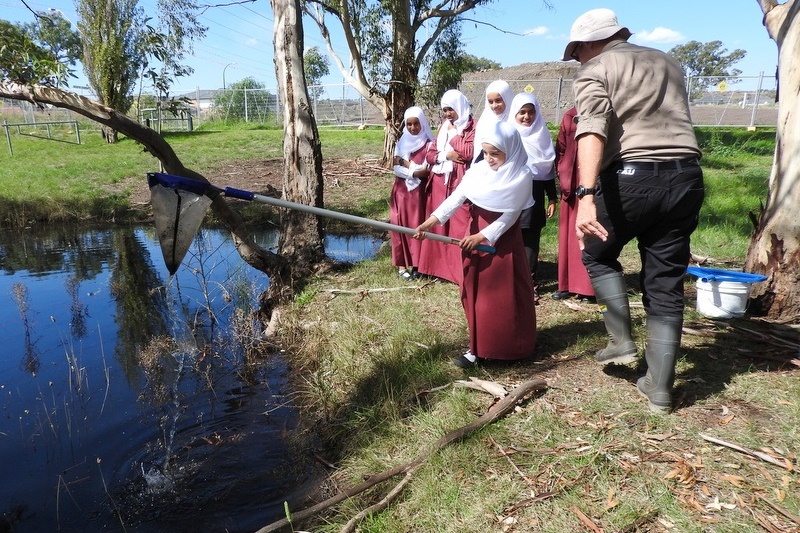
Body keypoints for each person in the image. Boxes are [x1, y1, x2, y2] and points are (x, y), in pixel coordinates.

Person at [564, 8, 705, 414]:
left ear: (592, 43)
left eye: (576, 51)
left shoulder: (597, 69)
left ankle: (620, 340)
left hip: (631, 176)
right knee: (665, 282)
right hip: (686, 176)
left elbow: (592, 128)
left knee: (596, 252)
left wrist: (586, 194)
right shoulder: (668, 62)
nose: (577, 59)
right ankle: (659, 389)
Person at [415, 121, 537, 368]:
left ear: (511, 150)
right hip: (473, 235)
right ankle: (478, 347)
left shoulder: (522, 175)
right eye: (486, 152)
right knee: (473, 289)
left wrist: (482, 237)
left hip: (501, 242)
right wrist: (430, 222)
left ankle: (509, 347)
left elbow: (510, 216)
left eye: (496, 153)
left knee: (501, 296)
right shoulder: (478, 171)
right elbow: (457, 197)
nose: (489, 159)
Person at [418, 89, 475, 284]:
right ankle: (435, 268)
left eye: (451, 109)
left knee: (458, 225)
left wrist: (454, 136)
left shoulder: (471, 126)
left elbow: (467, 153)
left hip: (459, 182)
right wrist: (447, 155)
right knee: (438, 225)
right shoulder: (444, 126)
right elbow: (430, 155)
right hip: (439, 181)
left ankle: (458, 272)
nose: (448, 114)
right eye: (445, 110)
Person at [507, 92, 558, 303]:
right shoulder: (508, 136)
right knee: (508, 238)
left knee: (530, 242)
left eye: (531, 112)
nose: (527, 117)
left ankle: (530, 284)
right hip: (510, 196)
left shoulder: (542, 137)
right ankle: (508, 283)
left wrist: (553, 198)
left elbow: (546, 172)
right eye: (522, 112)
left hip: (534, 198)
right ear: (514, 114)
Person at [552, 106, 595, 302]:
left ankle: (588, 287)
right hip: (570, 182)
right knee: (567, 234)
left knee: (588, 232)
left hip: (591, 182)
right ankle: (566, 284)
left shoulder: (601, 111)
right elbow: (561, 147)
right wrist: (562, 171)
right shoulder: (570, 115)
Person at [391, 106, 434, 280]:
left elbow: (426, 171)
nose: (413, 128)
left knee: (418, 226)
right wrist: (412, 170)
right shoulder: (401, 142)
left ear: (422, 123)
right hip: (401, 192)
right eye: (409, 124)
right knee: (400, 226)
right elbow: (395, 168)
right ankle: (402, 266)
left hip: (419, 195)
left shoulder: (429, 144)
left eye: (416, 123)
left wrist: (405, 164)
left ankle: (418, 265)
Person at [472, 80, 514, 164]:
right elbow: (479, 151)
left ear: (507, 98)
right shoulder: (484, 122)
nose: (494, 106)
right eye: (490, 102)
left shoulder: (515, 121)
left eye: (498, 100)